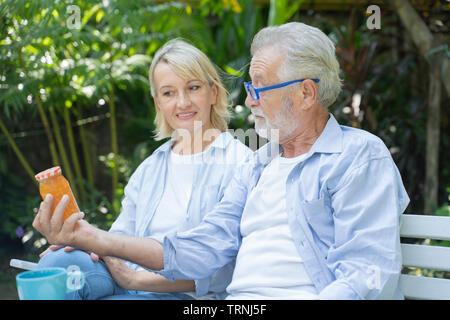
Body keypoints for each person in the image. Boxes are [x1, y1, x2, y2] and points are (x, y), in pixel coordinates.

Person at [33, 22, 410, 300]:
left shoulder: (358, 156)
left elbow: (367, 274)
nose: (249, 102)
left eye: (258, 88)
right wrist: (90, 238)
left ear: (306, 92)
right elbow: (200, 248)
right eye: (249, 89)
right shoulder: (258, 166)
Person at [36, 39, 252, 300]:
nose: (182, 102)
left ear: (213, 93)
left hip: (183, 295)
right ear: (158, 101)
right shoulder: (151, 168)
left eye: (193, 88)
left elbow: (222, 270)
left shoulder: (240, 163)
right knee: (56, 266)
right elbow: (119, 239)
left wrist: (135, 278)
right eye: (169, 93)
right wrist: (81, 241)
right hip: (127, 280)